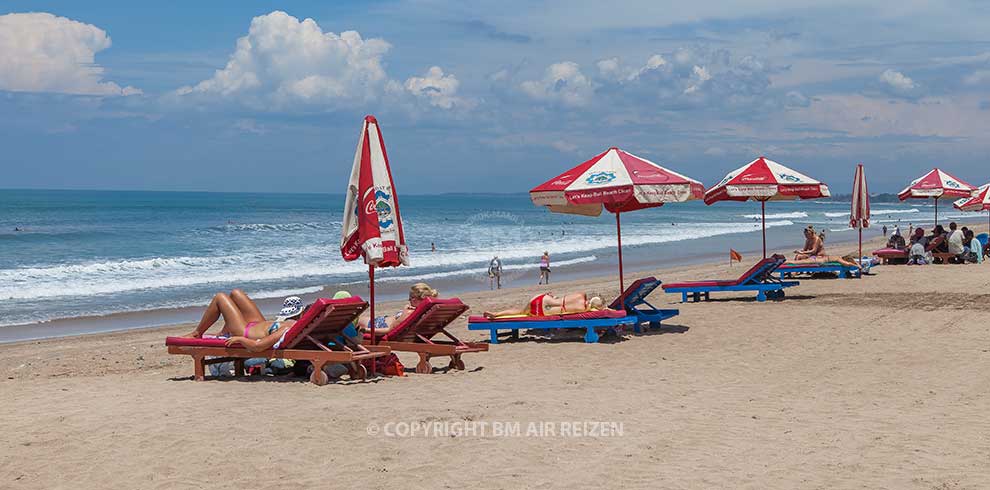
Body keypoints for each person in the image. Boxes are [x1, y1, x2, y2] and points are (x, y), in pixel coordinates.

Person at [184, 292, 307, 352]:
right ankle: (224, 331)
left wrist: (240, 339)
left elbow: (258, 346)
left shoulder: (287, 329)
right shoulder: (294, 325)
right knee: (236, 293)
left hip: (244, 332)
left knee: (220, 298)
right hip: (257, 324)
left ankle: (197, 333)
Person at [356, 283, 438, 335]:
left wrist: (364, 330)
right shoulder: (428, 312)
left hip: (377, 325)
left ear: (415, 299)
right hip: (380, 322)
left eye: (410, 298)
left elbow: (388, 330)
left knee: (350, 323)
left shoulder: (408, 312)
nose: (409, 300)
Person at [483, 292, 607, 319]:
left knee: (520, 310)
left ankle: (495, 314)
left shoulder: (581, 294)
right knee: (522, 312)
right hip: (544, 312)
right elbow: (598, 310)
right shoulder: (583, 308)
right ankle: (495, 315)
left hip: (543, 299)